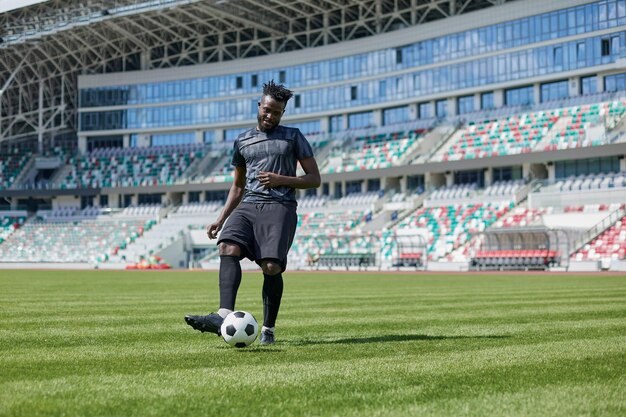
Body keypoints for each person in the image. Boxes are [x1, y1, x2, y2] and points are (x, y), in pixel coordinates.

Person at [185, 80, 321, 345]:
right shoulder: (242, 140)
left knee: (271, 267)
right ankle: (223, 314)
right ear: (259, 106)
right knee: (227, 247)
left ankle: (268, 329)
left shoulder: (293, 136)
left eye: (277, 112)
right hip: (248, 205)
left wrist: (282, 179)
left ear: (283, 114)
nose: (270, 116)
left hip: (280, 206)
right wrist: (220, 218)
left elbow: (314, 178)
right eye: (267, 110)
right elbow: (237, 186)